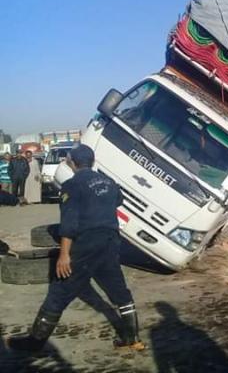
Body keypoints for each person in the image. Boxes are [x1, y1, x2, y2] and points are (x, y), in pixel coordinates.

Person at [7, 144, 144, 352]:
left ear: (72, 162)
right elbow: (118, 200)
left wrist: (64, 255)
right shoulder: (109, 182)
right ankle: (132, 337)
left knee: (59, 291)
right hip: (109, 243)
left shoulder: (71, 186)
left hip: (85, 245)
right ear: (92, 161)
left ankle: (34, 343)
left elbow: (69, 224)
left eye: (68, 159)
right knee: (118, 290)